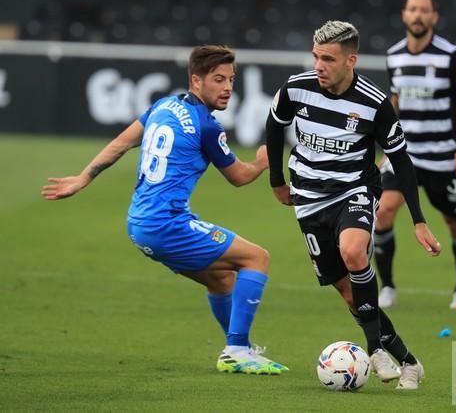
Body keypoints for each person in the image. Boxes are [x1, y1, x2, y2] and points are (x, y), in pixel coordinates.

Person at [41, 45, 287, 375]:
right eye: (219, 79)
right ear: (196, 80)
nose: (228, 87)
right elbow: (239, 178)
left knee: (220, 279)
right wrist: (260, 162)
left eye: (231, 79)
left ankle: (238, 348)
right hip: (167, 224)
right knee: (258, 258)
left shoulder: (163, 105)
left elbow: (122, 142)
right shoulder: (207, 126)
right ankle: (237, 351)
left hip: (138, 224)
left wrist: (84, 177)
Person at [266, 20, 441, 390]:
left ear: (351, 60)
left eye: (327, 58)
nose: (319, 65)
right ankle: (408, 361)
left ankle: (374, 348)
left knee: (353, 251)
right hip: (309, 199)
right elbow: (273, 125)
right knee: (349, 293)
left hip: (354, 190)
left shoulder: (374, 103)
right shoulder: (296, 89)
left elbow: (402, 161)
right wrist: (277, 181)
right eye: (316, 56)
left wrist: (419, 220)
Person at [375, 0, 456, 311]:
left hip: (443, 157)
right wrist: (387, 144)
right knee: (382, 212)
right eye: (412, 9)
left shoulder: (451, 56)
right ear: (404, 15)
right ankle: (388, 288)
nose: (417, 15)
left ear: (434, 17)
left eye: (424, 10)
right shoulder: (394, 55)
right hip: (406, 155)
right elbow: (395, 102)